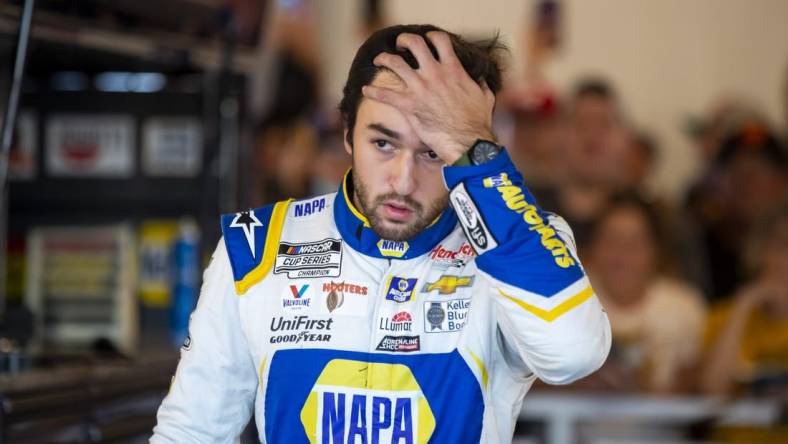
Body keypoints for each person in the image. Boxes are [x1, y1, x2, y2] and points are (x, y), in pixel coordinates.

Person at [151, 24, 611, 443]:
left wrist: (480, 158)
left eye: (433, 152)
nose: (403, 180)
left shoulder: (518, 241)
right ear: (348, 132)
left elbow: (574, 354)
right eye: (383, 142)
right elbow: (190, 432)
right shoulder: (255, 246)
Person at [585, 194, 706, 393]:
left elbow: (697, 387)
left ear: (656, 252)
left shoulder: (683, 307)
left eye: (634, 243)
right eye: (611, 240)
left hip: (660, 423)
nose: (621, 255)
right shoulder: (564, 300)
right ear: (592, 247)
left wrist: (645, 387)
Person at [702, 203, 788, 397]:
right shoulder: (723, 317)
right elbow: (712, 390)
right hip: (737, 427)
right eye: (782, 246)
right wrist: (743, 306)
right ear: (760, 251)